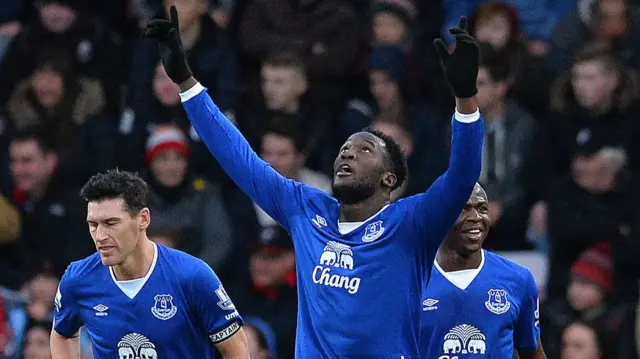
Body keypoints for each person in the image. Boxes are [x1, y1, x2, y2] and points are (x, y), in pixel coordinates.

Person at [144, 7, 484, 357]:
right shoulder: (305, 208)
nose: (348, 154)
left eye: (364, 149)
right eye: (345, 149)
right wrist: (186, 82)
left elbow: (462, 175)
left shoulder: (411, 222)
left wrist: (465, 101)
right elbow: (237, 156)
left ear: (389, 178)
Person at [49, 169, 249, 358]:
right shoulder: (78, 279)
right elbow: (62, 333)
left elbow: (236, 349)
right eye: (93, 225)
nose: (100, 236)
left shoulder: (192, 277)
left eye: (111, 223)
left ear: (143, 219)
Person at [420, 183, 546, 358]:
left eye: (482, 208)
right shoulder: (411, 281)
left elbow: (533, 354)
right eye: (463, 208)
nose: (476, 217)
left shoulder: (518, 279)